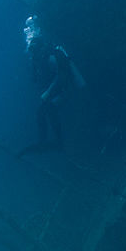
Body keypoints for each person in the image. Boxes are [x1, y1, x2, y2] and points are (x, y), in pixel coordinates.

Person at [18, 18, 84, 156]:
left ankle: (57, 142)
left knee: (48, 107)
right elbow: (37, 79)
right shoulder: (39, 59)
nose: (32, 53)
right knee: (41, 111)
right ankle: (45, 142)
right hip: (58, 89)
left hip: (67, 87)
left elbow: (62, 77)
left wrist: (48, 93)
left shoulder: (50, 56)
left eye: (33, 49)